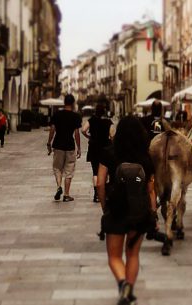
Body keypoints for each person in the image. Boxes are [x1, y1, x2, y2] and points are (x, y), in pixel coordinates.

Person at [96, 116, 157, 305]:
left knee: (114, 256)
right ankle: (129, 291)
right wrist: (153, 213)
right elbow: (151, 189)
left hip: (116, 208)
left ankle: (123, 285)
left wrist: (105, 206)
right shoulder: (146, 157)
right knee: (133, 254)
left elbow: (99, 183)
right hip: (139, 211)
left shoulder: (109, 152)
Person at [47, 94, 82, 202]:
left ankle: (58, 187)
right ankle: (66, 194)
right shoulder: (76, 116)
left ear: (64, 102)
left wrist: (49, 142)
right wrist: (79, 147)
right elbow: (76, 133)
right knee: (69, 170)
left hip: (58, 145)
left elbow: (52, 129)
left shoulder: (57, 115)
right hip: (70, 145)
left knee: (57, 168)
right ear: (72, 103)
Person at [81, 103, 113, 203]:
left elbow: (83, 130)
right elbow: (113, 134)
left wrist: (89, 137)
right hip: (105, 148)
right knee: (106, 172)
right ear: (104, 111)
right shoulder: (108, 122)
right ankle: (105, 193)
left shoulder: (91, 120)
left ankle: (96, 195)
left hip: (94, 147)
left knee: (95, 172)